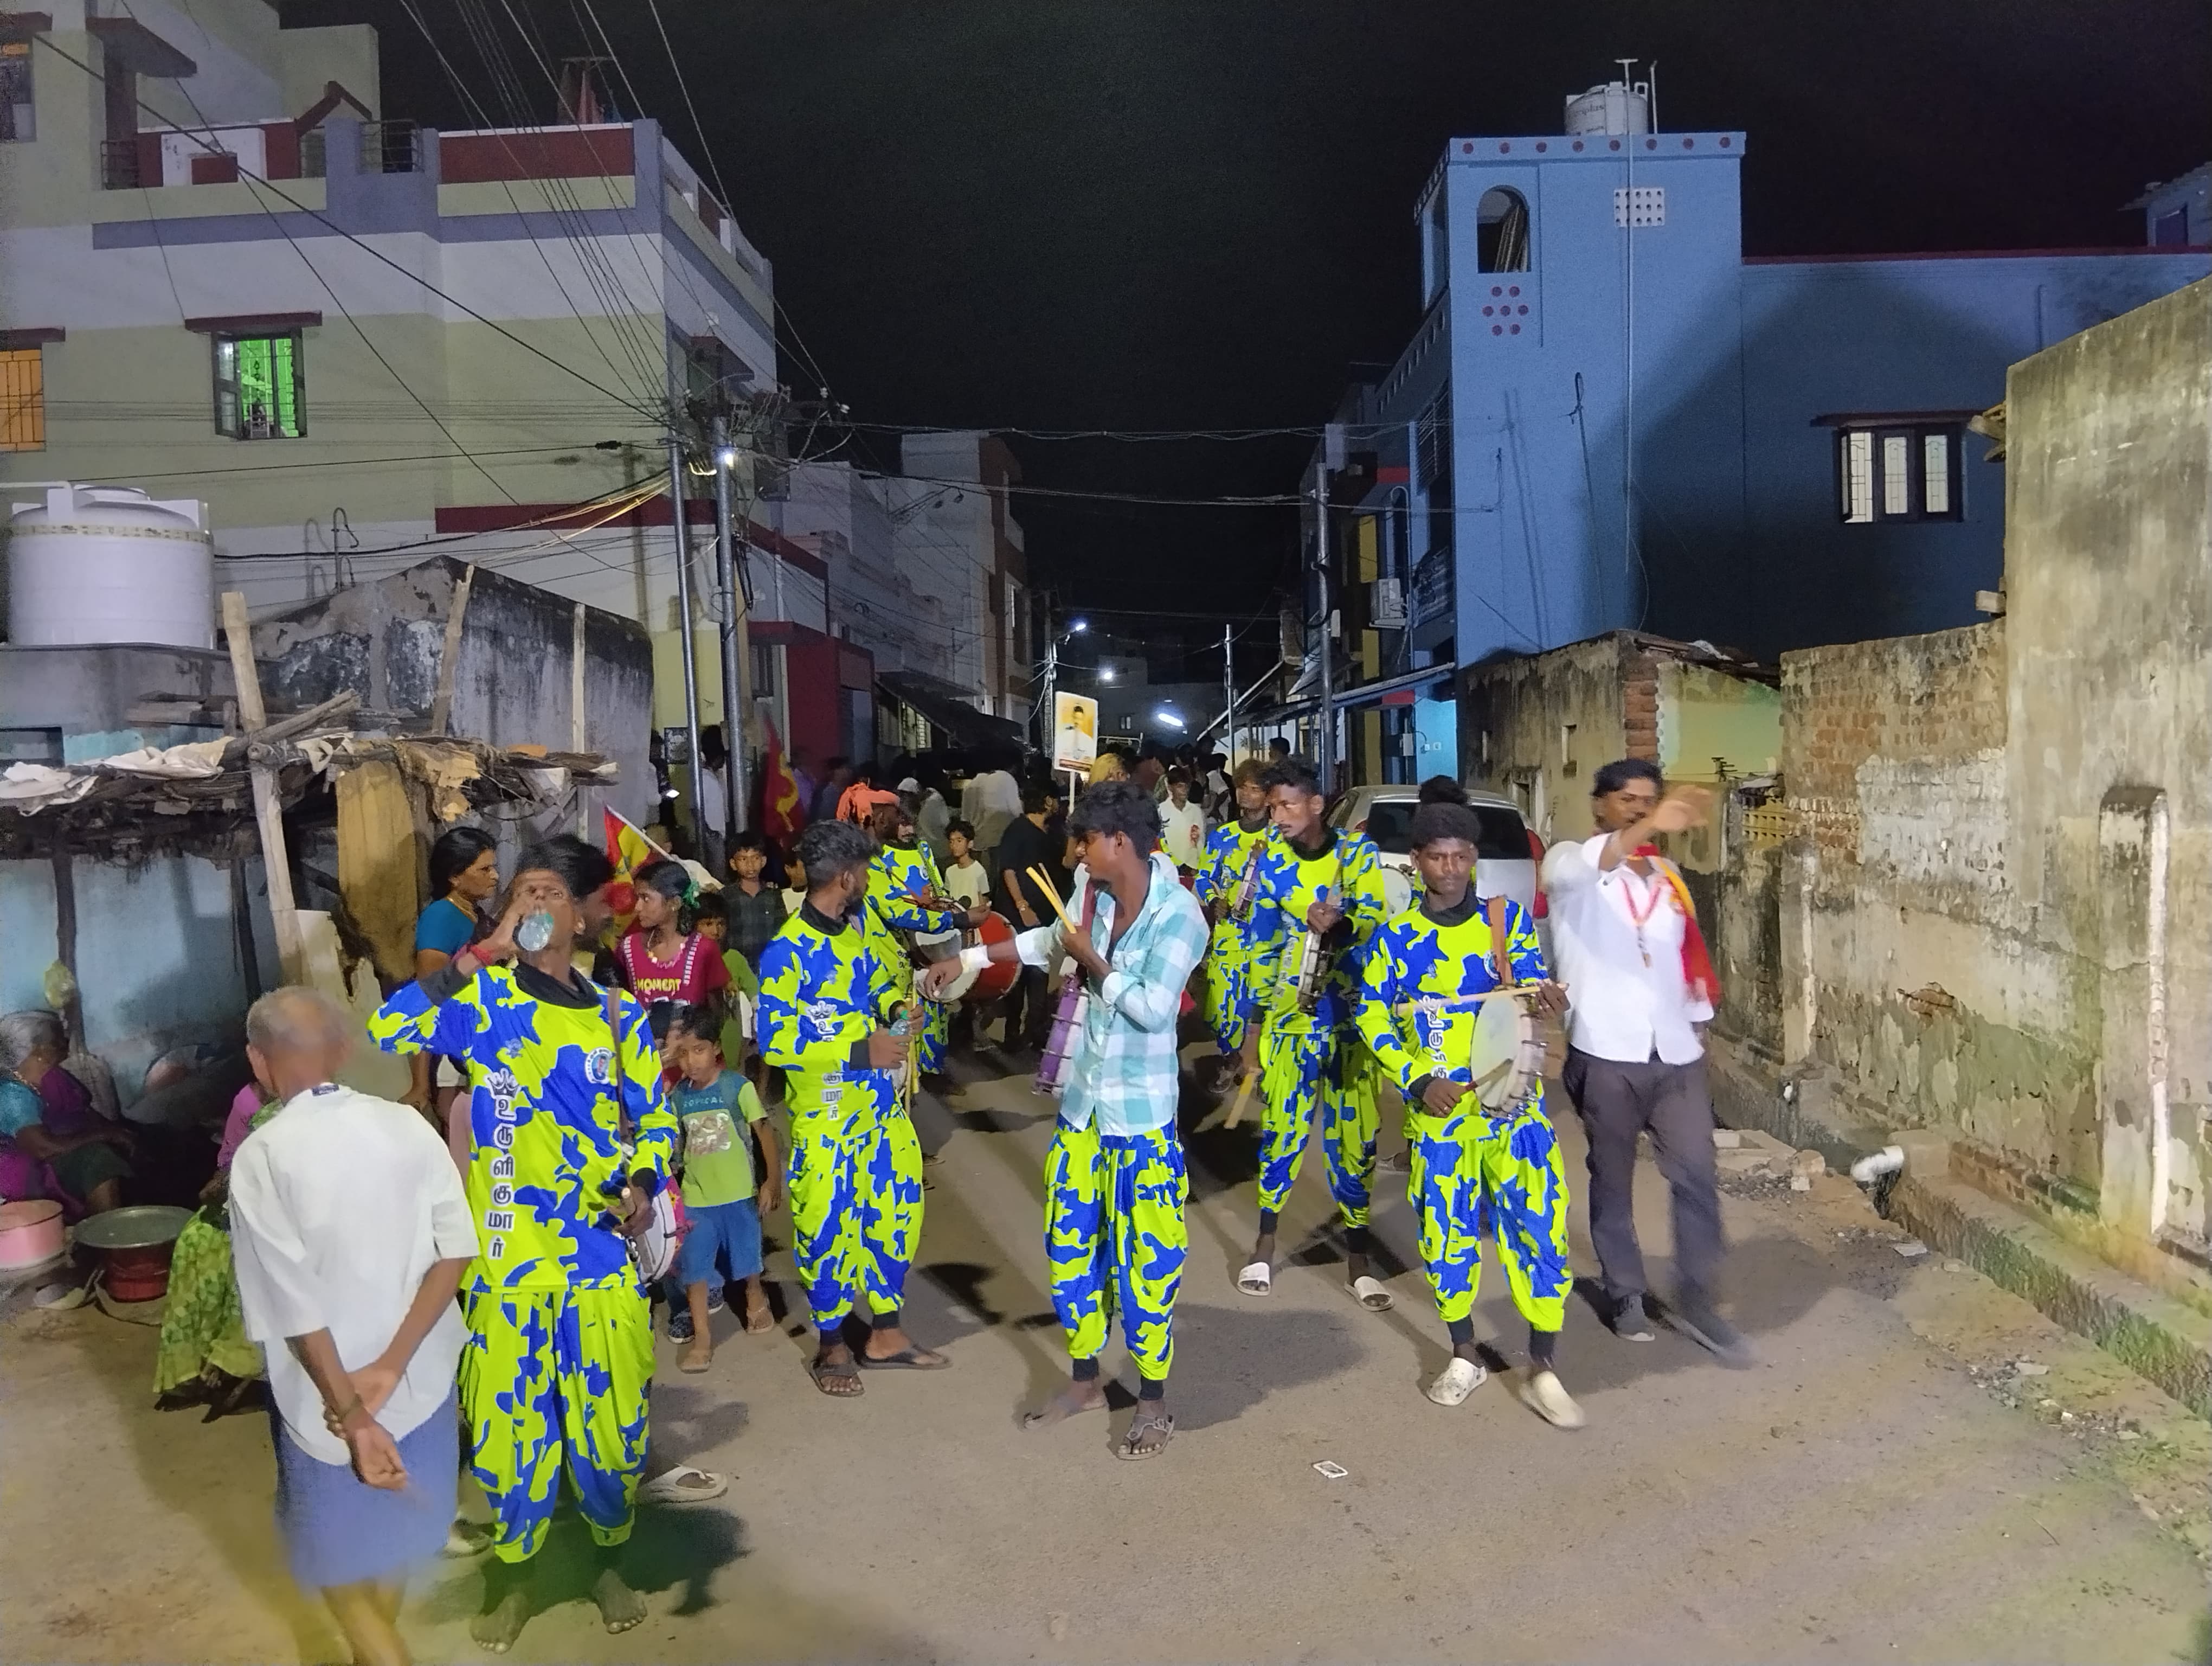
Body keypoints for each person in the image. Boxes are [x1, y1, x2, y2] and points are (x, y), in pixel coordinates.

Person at [369, 836, 679, 1651]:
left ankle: (606, 1558)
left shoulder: (618, 1015)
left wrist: (643, 1183)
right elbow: (388, 1025)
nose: (533, 906)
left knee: (610, 1428)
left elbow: (657, 1121)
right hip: (507, 1262)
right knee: (511, 1436)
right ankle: (514, 1575)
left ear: (583, 915)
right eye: (521, 893)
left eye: (549, 893)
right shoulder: (484, 999)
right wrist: (480, 954)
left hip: (599, 1260)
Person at [922, 780, 1207, 1460]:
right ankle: (1084, 1381)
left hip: (1141, 1125)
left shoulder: (1181, 915)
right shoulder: (1090, 894)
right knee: (1071, 1252)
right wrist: (966, 958)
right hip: (1083, 1113)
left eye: (1086, 841)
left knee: (1147, 1267)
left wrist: (1093, 961)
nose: (1076, 852)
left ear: (1121, 842)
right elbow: (1047, 942)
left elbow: (1153, 1009)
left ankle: (1153, 1401)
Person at [228, 986, 476, 1666]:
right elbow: (456, 1251)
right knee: (389, 1544)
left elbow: (294, 1306)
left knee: (336, 1563)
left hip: (326, 1406)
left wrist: (354, 1415)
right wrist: (392, 1367)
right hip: (419, 1382)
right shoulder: (408, 1127)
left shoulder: (263, 1156)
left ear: (259, 1061)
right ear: (341, 1052)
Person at [1354, 802, 1583, 1425]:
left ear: (1474, 858)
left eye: (1460, 856)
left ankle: (1544, 1366)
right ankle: (1464, 1354)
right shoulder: (1395, 940)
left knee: (1539, 1230)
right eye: (1437, 857)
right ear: (1417, 862)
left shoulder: (1504, 923)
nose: (1450, 868)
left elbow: (1530, 994)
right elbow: (1371, 1015)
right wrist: (1418, 1079)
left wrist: (1546, 1001)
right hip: (1442, 1116)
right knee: (1445, 1236)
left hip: (1515, 1113)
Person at [1542, 758, 1750, 1366]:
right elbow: (1598, 862)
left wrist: (1698, 1018)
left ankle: (1697, 1296)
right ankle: (1625, 1292)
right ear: (1600, 805)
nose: (1638, 808)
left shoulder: (1667, 875)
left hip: (1675, 1051)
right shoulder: (1569, 863)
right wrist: (1655, 822)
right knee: (1612, 1178)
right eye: (1627, 799)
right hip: (1606, 1050)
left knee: (1696, 1175)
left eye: (1648, 800)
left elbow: (1684, 953)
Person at [756, 819, 946, 1396]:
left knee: (894, 1212)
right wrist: (862, 1051)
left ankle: (886, 1331)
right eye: (864, 871)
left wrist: (897, 1009)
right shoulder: (786, 950)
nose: (868, 880)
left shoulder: (854, 930)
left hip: (879, 1112)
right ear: (845, 877)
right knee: (828, 1228)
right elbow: (774, 1041)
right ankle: (832, 1344)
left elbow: (872, 987)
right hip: (827, 1122)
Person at [1233, 761, 1392, 1307]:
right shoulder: (1272, 862)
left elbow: (1376, 919)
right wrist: (1251, 1031)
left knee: (1355, 1140)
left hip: (1350, 1022)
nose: (1277, 815)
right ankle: (1265, 1244)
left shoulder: (1358, 854)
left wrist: (1343, 925)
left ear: (1317, 805)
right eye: (1272, 806)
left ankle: (1358, 1259)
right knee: (1282, 1133)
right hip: (1290, 1022)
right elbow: (1261, 948)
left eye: (1287, 805)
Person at [661, 1007, 780, 1372]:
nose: (691, 1061)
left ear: (715, 1048)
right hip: (696, 1198)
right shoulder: (679, 1097)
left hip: (739, 1194)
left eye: (699, 1050)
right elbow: (675, 1147)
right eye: (683, 1053)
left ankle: (754, 1295)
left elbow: (764, 1133)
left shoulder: (737, 1088)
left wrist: (772, 1181)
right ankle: (703, 1340)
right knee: (695, 1268)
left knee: (748, 1259)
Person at [153, 1082, 279, 1418]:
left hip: (277, 1216)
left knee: (250, 1255)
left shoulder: (310, 1111)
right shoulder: (249, 1101)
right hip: (239, 1203)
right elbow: (227, 1167)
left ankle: (236, 1367)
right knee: (199, 1238)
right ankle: (192, 1370)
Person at [865, 794, 985, 1098]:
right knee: (899, 1016)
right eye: (902, 822)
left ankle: (931, 1072)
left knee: (934, 1012)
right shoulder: (877, 857)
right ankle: (896, 1083)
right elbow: (893, 909)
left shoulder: (923, 850)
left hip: (928, 945)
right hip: (893, 951)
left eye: (911, 823)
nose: (908, 829)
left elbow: (938, 890)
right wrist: (955, 920)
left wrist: (941, 905)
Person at [407, 828, 499, 1125]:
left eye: (494, 868)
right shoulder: (441, 918)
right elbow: (427, 1001)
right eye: (485, 869)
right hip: (453, 1067)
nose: (495, 876)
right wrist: (420, 1086)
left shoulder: (473, 915)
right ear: (455, 877)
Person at [0, 1009, 132, 1215]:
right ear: (40, 1052)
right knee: (96, 1159)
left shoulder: (50, 1077)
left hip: (52, 1158)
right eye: (58, 1040)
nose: (66, 1043)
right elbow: (43, 1148)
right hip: (19, 1180)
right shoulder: (11, 1095)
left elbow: (84, 1112)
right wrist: (105, 1135)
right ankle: (105, 1230)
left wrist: (115, 1132)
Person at [1193, 761, 1272, 1093]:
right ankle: (1230, 1057)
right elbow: (1203, 878)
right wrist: (1214, 900)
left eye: (1255, 789)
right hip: (1228, 937)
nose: (1246, 794)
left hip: (1266, 938)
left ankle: (1260, 1068)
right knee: (1220, 1006)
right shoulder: (1222, 836)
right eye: (1242, 787)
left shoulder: (1280, 839)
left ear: (1268, 796)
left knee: (1261, 1004)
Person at [613, 858, 730, 1046]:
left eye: (646, 898)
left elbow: (717, 1013)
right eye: (637, 898)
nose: (638, 907)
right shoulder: (628, 948)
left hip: (692, 1060)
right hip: (645, 1059)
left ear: (674, 903)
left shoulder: (704, 949)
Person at [992, 781, 1065, 1056]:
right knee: (1019, 975)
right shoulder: (1018, 829)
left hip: (1044, 916)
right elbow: (1009, 870)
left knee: (1039, 975)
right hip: (1019, 917)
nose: (1058, 805)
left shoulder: (1052, 833)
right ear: (1047, 801)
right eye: (1055, 799)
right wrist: (1022, 906)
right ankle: (1013, 1033)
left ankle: (1035, 1031)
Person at [1158, 765, 1207, 875]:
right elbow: (1161, 843)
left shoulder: (1197, 812)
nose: (1185, 790)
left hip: (1194, 870)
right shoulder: (1161, 811)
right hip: (1169, 871)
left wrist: (1200, 868)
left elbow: (1201, 842)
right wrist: (1179, 867)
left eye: (1187, 786)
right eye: (1180, 786)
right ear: (1170, 787)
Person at [942, 820, 991, 910]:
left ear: (970, 844)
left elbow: (984, 899)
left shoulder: (978, 870)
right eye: (951, 842)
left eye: (959, 841)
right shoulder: (950, 871)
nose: (954, 845)